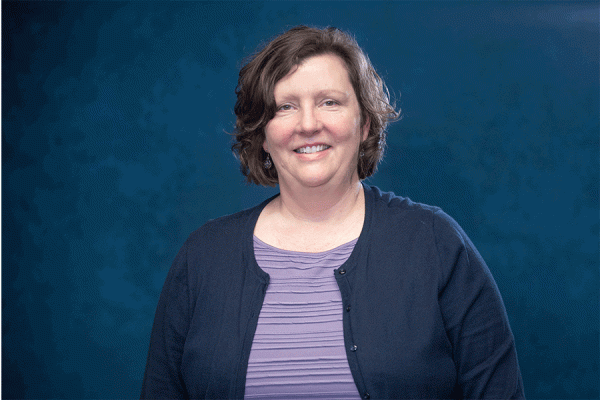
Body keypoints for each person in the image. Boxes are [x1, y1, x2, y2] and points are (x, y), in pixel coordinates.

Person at [141, 26, 525, 399]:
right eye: (284, 107)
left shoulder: (435, 242)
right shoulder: (204, 257)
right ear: (261, 134)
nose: (308, 124)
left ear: (365, 124)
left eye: (330, 102)